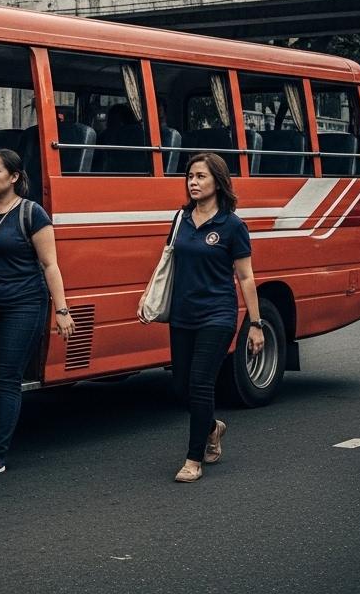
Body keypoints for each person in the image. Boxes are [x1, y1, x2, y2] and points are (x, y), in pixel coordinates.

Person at [0, 149, 76, 477]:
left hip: (24, 305)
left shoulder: (32, 214)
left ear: (15, 177)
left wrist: (61, 310)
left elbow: (50, 265)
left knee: (9, 379)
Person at [142, 153, 263, 483]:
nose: (193, 182)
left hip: (218, 315)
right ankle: (213, 427)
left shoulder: (232, 225)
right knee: (181, 387)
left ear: (218, 182)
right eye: (190, 177)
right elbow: (170, 261)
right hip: (183, 315)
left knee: (200, 383)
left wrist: (255, 324)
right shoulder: (180, 218)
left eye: (200, 177)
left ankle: (193, 458)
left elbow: (246, 277)